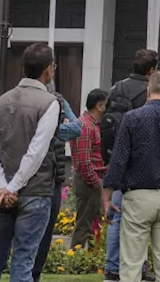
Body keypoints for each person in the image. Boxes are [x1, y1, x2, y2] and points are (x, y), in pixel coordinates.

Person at [0, 43, 62, 282]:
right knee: (24, 260)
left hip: (1, 192)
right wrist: (13, 187)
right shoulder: (49, 103)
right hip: (34, 190)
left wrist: (1, 185)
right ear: (48, 70)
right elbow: (37, 151)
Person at [102, 71, 160, 282]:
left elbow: (118, 160)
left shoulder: (132, 118)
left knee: (132, 264)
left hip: (139, 196)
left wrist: (107, 193)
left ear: (148, 90)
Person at [102, 49, 159, 282]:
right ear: (152, 70)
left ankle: (112, 268)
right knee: (140, 220)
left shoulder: (116, 88)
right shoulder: (149, 92)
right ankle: (139, 268)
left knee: (116, 215)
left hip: (115, 158)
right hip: (138, 162)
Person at [32, 79, 84, 282]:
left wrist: (51, 128)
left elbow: (75, 128)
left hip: (52, 176)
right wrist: (62, 113)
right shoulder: (51, 107)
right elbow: (74, 128)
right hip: (45, 178)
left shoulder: (56, 104)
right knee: (38, 235)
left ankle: (33, 275)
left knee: (42, 234)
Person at [69, 88, 109, 249]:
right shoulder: (86, 126)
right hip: (88, 179)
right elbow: (84, 161)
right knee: (85, 220)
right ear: (100, 105)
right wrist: (95, 182)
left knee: (95, 219)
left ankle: (91, 255)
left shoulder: (91, 124)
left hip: (92, 177)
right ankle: (76, 254)